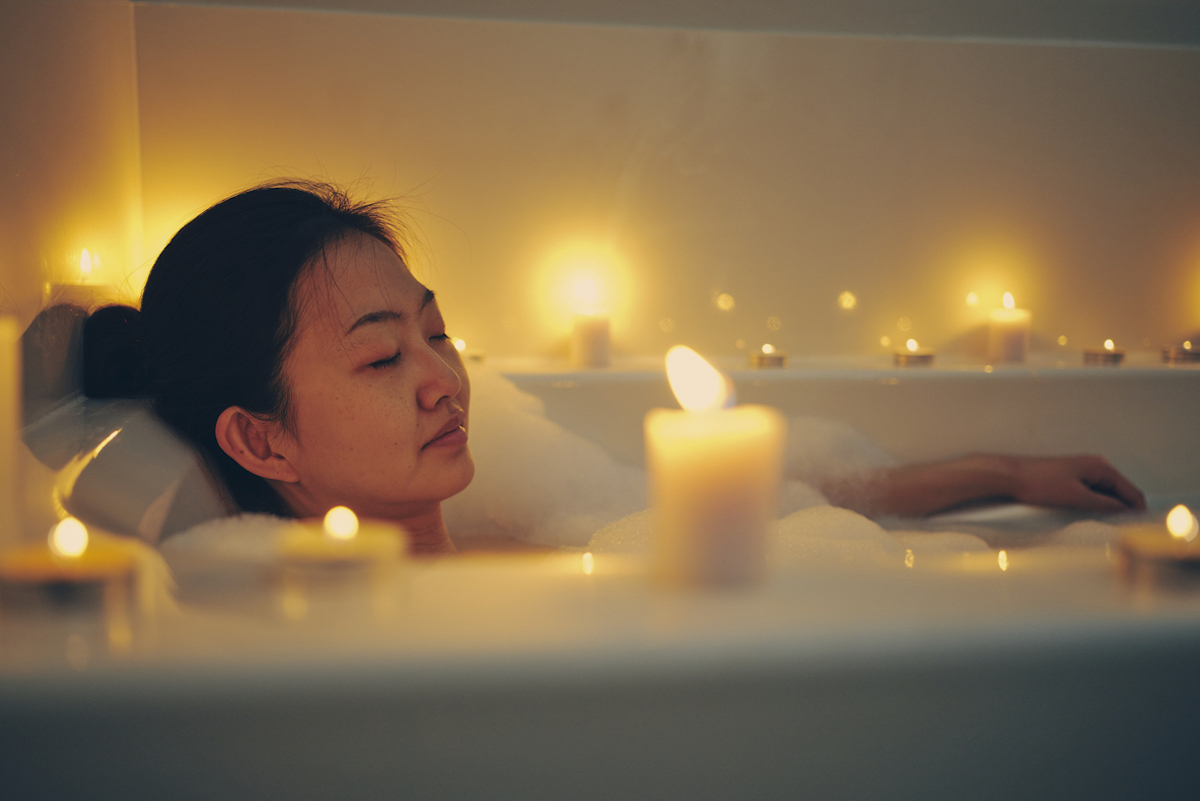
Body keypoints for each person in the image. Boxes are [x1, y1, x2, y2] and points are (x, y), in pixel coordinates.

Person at [82, 181, 1144, 554]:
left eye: (437, 333)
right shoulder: (318, 645)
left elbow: (764, 504)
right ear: (261, 438)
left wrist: (1006, 470)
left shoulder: (535, 526)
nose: (443, 378)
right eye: (381, 357)